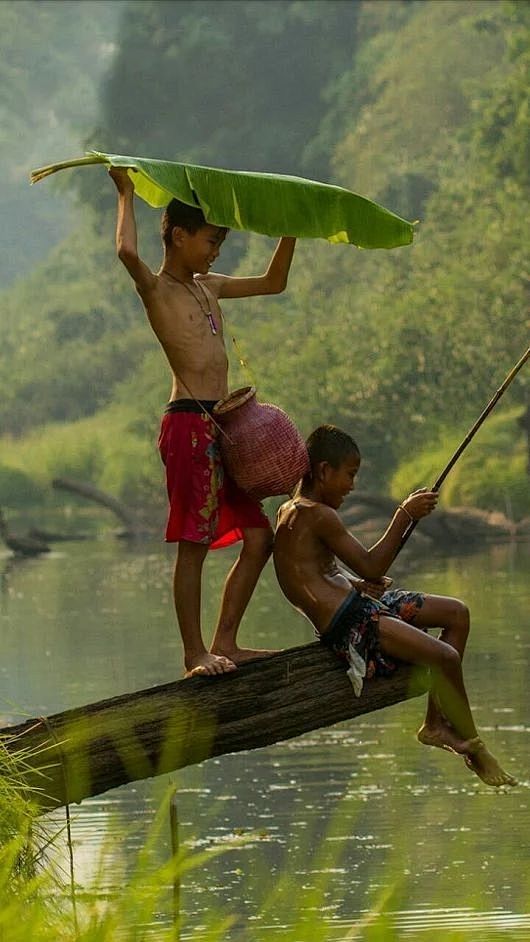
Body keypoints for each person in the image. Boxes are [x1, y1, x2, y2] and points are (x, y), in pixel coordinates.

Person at [109, 167, 296, 677]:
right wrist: (125, 193)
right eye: (211, 241)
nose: (215, 252)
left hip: (224, 426)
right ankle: (195, 655)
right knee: (193, 544)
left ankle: (226, 643)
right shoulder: (158, 289)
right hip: (187, 424)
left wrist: (291, 228)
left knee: (259, 537)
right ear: (178, 235)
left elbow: (274, 283)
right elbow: (127, 253)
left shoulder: (208, 286)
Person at [273, 425, 516, 787]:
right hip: (352, 623)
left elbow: (311, 571)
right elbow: (372, 564)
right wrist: (404, 514)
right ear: (324, 471)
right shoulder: (318, 514)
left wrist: (354, 584)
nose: (353, 486)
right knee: (445, 658)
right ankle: (473, 747)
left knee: (457, 613)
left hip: (360, 601)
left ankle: (435, 723)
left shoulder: (291, 510)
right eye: (349, 475)